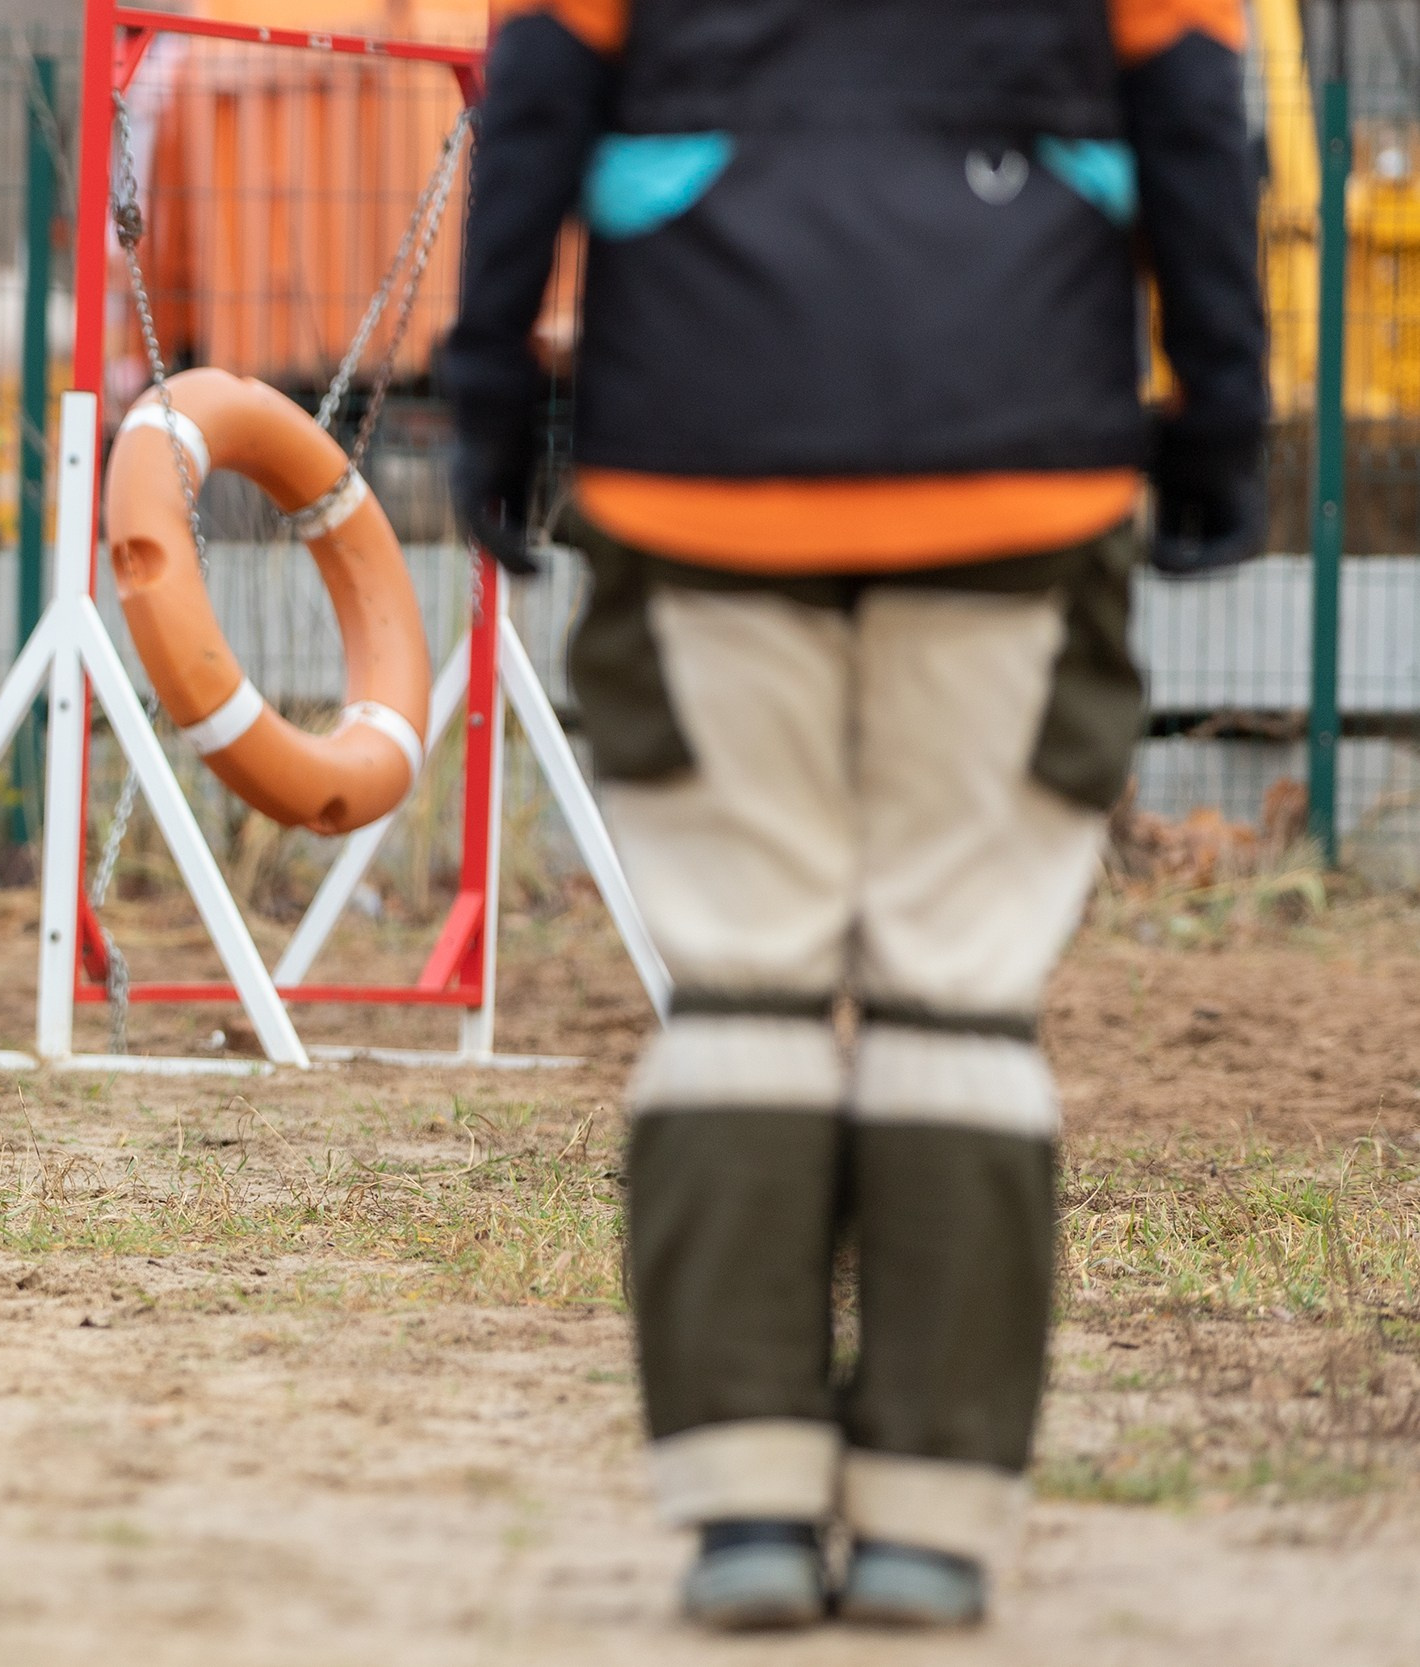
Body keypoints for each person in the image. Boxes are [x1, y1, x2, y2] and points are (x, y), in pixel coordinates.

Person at [442, 0, 1266, 1632]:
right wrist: (1222, 419)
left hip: (700, 456)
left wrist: (489, 407)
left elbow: (533, 101)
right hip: (1017, 457)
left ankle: (744, 1508)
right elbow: (1195, 118)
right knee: (955, 995)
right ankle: (931, 1524)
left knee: (744, 985)